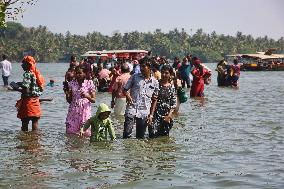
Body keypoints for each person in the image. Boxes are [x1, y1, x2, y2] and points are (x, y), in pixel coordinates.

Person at [123, 58, 159, 139]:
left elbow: (155, 99)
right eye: (140, 66)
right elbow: (125, 89)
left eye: (144, 66)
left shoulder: (155, 82)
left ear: (149, 67)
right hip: (131, 108)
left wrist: (151, 115)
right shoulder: (134, 77)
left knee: (140, 137)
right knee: (126, 134)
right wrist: (128, 96)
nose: (141, 68)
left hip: (144, 111)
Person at [15, 56, 45, 131]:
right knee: (35, 122)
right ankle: (35, 140)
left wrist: (16, 89)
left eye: (23, 64)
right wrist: (21, 83)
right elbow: (32, 85)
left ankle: (25, 140)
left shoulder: (27, 74)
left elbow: (26, 91)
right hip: (36, 102)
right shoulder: (34, 73)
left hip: (28, 103)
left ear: (29, 64)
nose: (22, 65)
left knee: (25, 123)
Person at [65, 65, 96, 136]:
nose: (77, 75)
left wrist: (87, 96)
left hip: (85, 111)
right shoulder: (71, 83)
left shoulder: (89, 83)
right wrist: (67, 94)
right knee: (71, 133)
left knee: (85, 134)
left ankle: (84, 147)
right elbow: (69, 101)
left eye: (80, 73)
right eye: (76, 73)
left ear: (84, 73)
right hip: (73, 111)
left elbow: (93, 100)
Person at [148, 65, 177, 137]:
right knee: (152, 135)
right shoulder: (156, 85)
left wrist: (169, 116)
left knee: (164, 137)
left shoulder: (171, 87)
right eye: (162, 72)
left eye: (166, 73)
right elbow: (150, 99)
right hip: (155, 115)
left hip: (166, 116)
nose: (164, 75)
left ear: (170, 74)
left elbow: (173, 104)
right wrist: (150, 115)